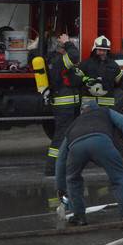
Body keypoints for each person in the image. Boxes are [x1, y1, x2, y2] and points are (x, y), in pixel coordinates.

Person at [55, 100, 123, 225]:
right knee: (120, 176)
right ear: (96, 107)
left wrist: (60, 187)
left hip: (76, 147)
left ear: (82, 111)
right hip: (101, 141)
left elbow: (60, 159)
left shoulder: (74, 124)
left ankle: (79, 217)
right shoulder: (105, 111)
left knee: (73, 179)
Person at [43, 33, 82, 177]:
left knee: (67, 135)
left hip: (67, 104)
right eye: (65, 47)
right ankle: (51, 168)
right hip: (64, 106)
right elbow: (74, 56)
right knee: (60, 136)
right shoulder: (60, 60)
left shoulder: (55, 60)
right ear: (62, 48)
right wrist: (68, 42)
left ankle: (66, 164)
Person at [80, 35, 123, 108]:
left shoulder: (113, 65)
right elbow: (77, 80)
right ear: (94, 49)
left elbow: (120, 84)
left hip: (106, 105)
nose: (102, 52)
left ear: (107, 51)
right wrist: (87, 80)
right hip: (88, 104)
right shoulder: (86, 64)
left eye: (104, 50)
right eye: (100, 50)